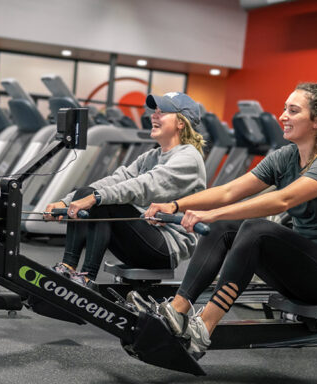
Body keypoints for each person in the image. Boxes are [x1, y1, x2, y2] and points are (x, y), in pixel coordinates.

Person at [135, 82, 317, 358]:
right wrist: (175, 204)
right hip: (301, 270)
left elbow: (283, 200)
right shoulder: (286, 156)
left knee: (257, 229)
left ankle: (203, 329)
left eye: (293, 111)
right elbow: (230, 191)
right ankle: (177, 310)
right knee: (224, 227)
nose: (283, 116)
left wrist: (211, 213)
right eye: (284, 109)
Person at [43, 92, 207, 288]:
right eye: (154, 111)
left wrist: (96, 198)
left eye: (162, 112)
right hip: (145, 237)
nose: (153, 116)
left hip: (165, 247)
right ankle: (67, 268)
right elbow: (117, 179)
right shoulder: (152, 156)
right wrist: (66, 202)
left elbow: (143, 185)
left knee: (105, 203)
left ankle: (86, 279)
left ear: (181, 123)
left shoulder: (188, 157)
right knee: (87, 192)